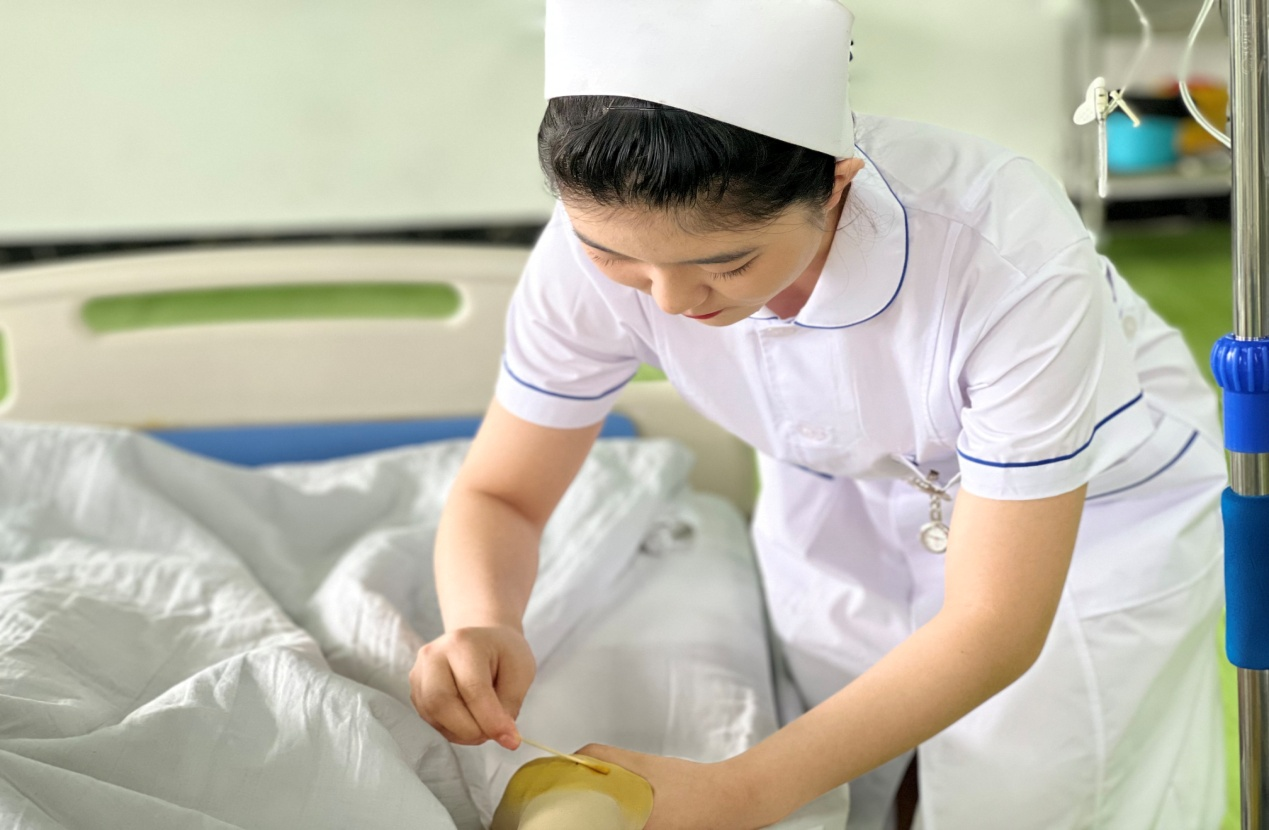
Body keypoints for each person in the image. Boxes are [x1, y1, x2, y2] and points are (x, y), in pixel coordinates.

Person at [408, 1, 1228, 828]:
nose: (671, 300)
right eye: (612, 256)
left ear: (837, 185)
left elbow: (996, 624)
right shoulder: (589, 249)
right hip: (842, 491)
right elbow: (502, 493)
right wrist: (482, 622)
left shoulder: (1002, 253)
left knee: (1026, 797)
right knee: (853, 785)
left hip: (1089, 518)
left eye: (727, 263)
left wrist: (741, 791)